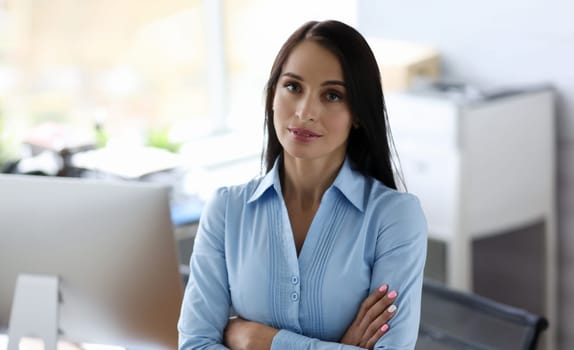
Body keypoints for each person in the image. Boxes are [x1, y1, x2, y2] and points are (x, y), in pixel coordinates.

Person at [178, 20, 427, 350]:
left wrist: (260, 341)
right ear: (272, 96)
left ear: (358, 114)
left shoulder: (395, 217)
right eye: (293, 87)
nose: (306, 111)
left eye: (332, 95)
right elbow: (195, 345)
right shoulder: (226, 211)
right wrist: (343, 346)